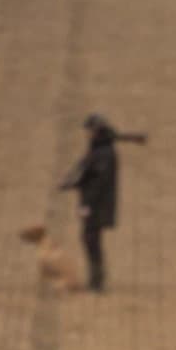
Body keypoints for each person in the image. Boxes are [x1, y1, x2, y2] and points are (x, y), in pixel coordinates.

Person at [59, 113, 120, 292]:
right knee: (89, 239)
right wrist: (71, 183)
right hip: (93, 204)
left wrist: (86, 204)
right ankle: (95, 279)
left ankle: (97, 281)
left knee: (91, 240)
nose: (87, 134)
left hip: (96, 206)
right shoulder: (99, 149)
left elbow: (96, 181)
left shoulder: (104, 154)